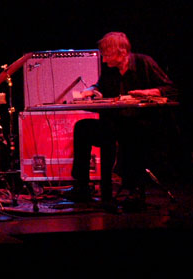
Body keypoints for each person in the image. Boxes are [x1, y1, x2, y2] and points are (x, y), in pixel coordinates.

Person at [68, 32, 177, 211]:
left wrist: (147, 92)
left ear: (122, 52)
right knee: (83, 127)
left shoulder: (144, 63)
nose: (104, 60)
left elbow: (171, 89)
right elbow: (100, 86)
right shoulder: (110, 69)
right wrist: (91, 90)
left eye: (107, 56)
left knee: (131, 133)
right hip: (116, 122)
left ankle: (133, 189)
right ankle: (82, 186)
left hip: (142, 123)